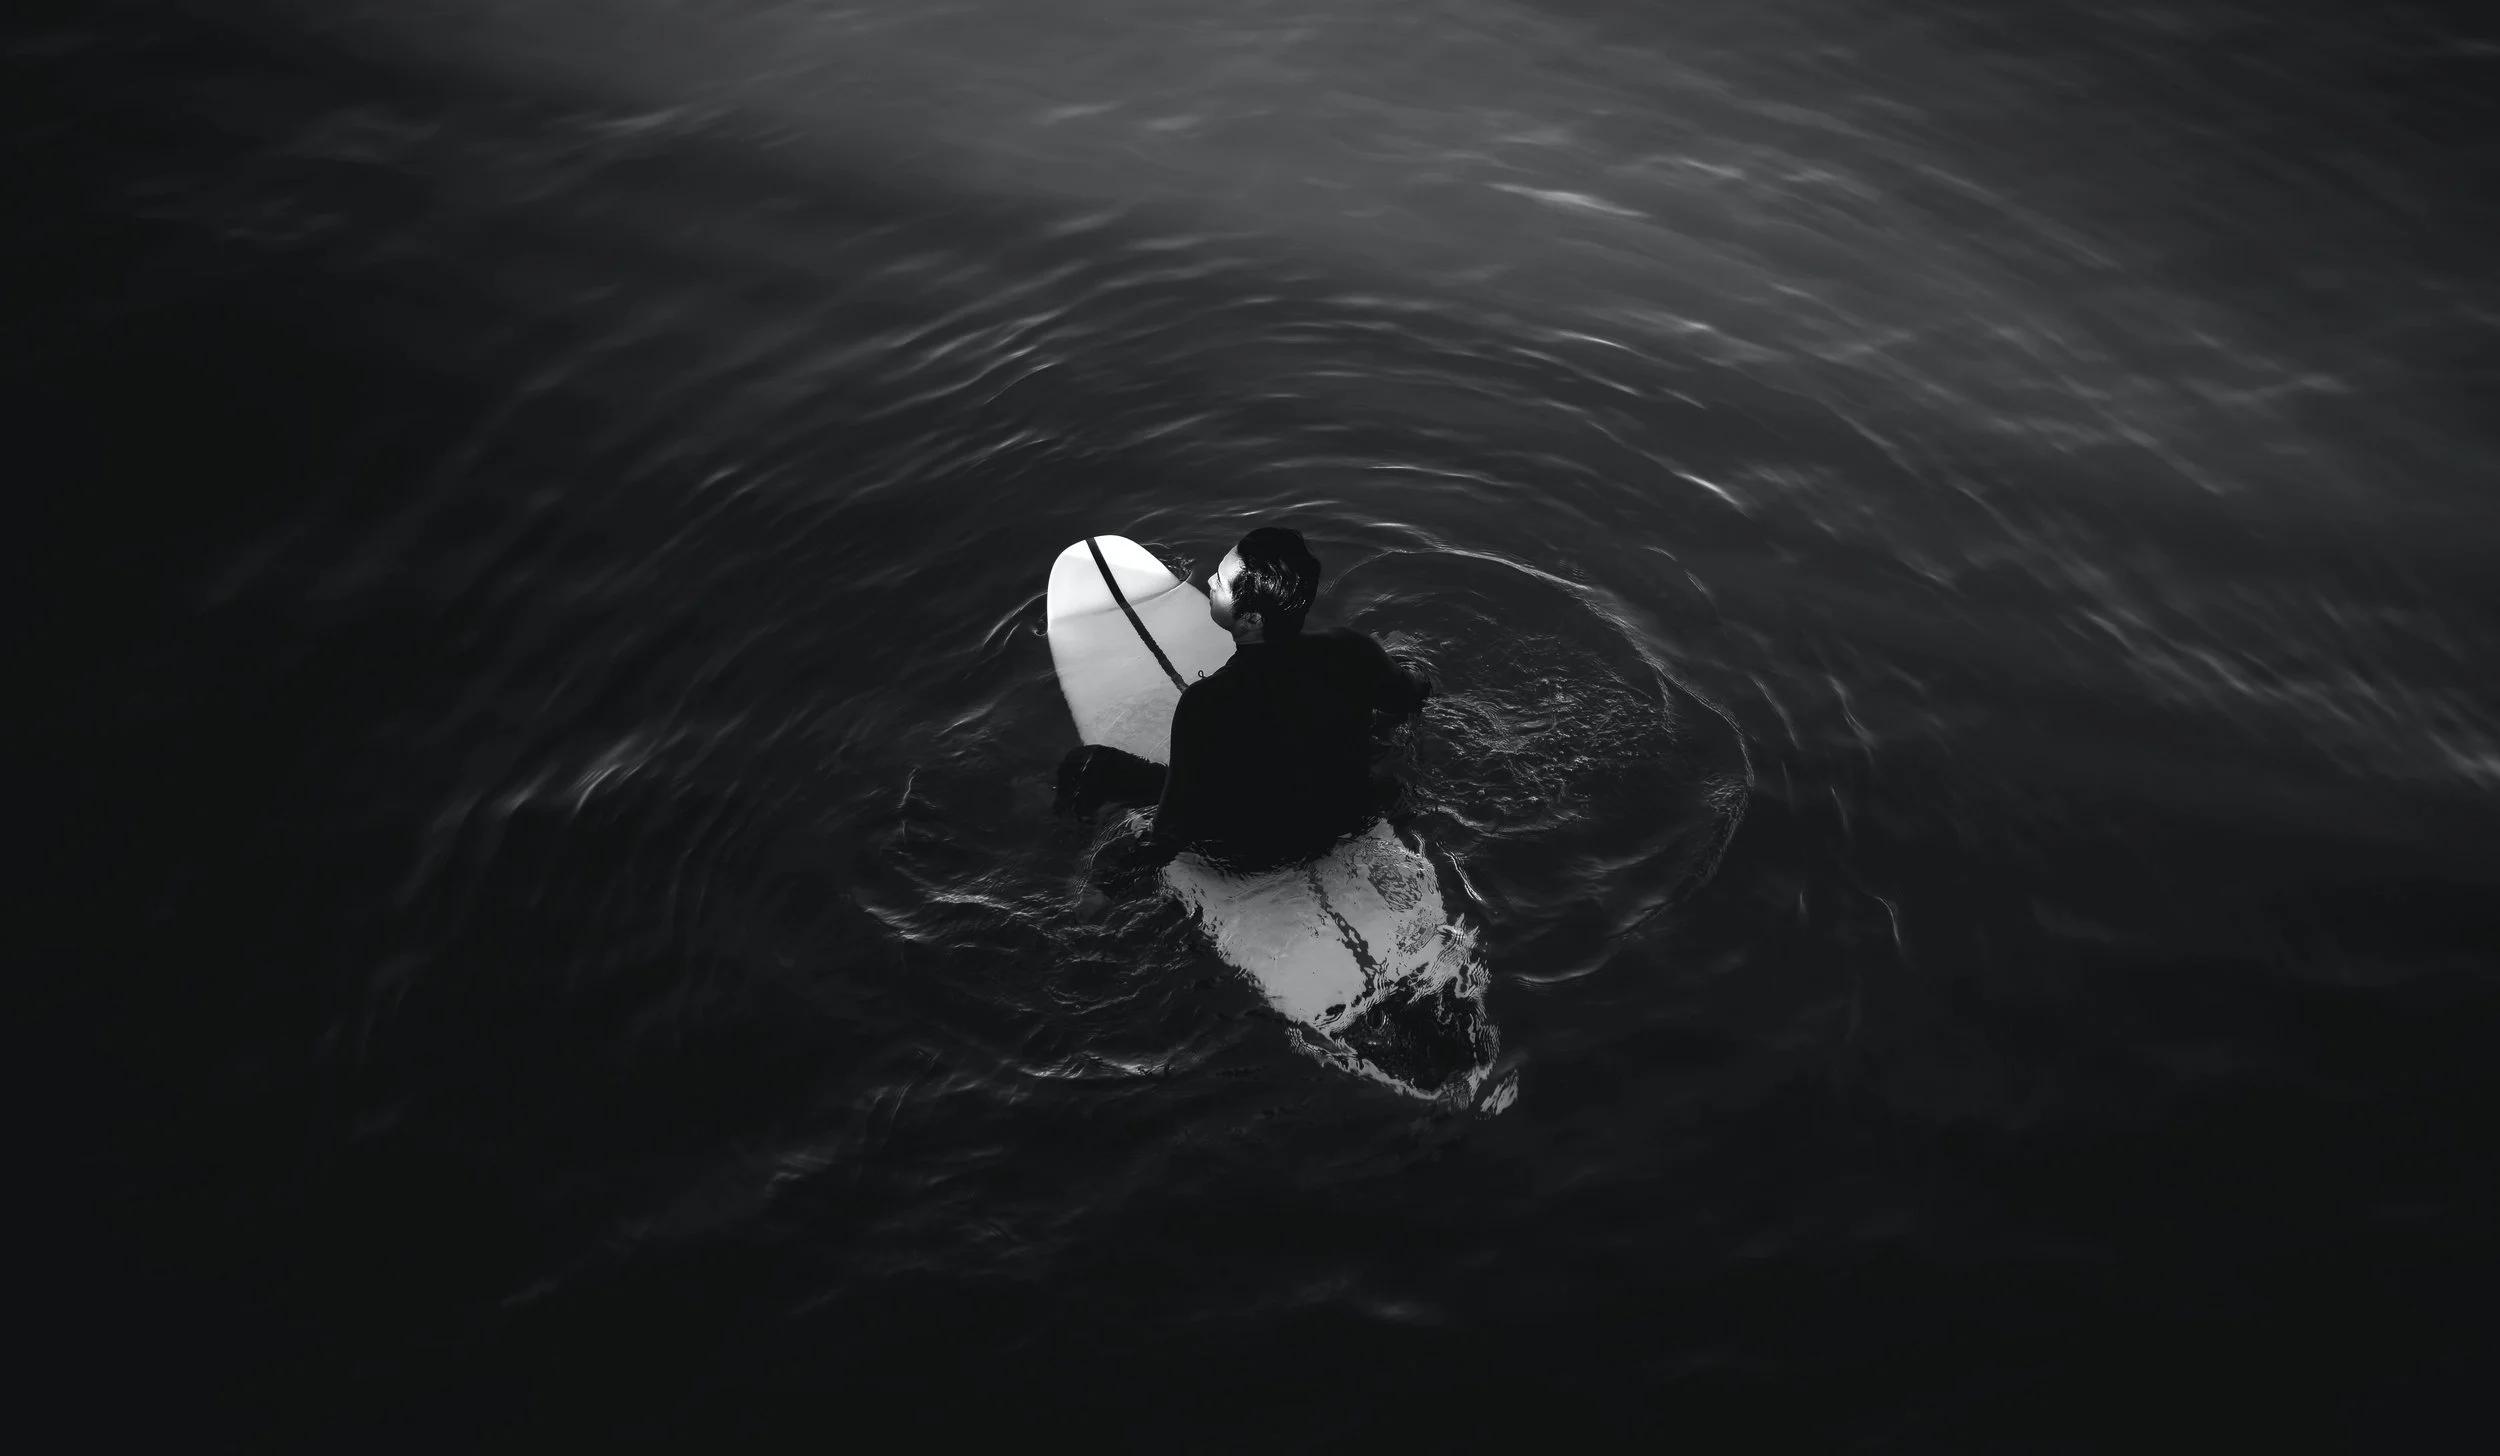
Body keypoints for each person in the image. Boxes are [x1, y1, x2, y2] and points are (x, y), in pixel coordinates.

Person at [1058, 526, 1431, 876]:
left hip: (1254, 855)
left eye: (1218, 582)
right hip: (1352, 817)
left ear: (1251, 618)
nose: (1207, 581)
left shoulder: (1207, 703)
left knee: (1086, 765)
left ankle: (1062, 833)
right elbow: (1413, 696)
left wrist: (1106, 884)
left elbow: (1171, 832)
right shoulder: (1353, 648)